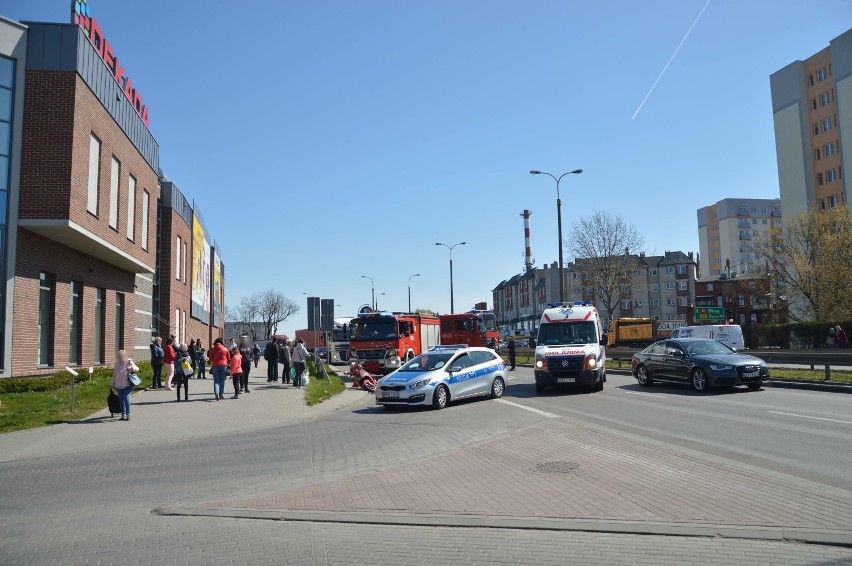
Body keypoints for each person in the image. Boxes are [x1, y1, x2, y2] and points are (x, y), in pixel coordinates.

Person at [111, 350, 139, 421]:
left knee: (126, 398)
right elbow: (114, 375)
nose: (121, 358)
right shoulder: (117, 363)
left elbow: (137, 369)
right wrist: (112, 383)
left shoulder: (129, 362)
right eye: (119, 357)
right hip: (118, 385)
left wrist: (132, 368)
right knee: (121, 400)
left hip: (128, 384)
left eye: (122, 356)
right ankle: (123, 415)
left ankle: (128, 414)